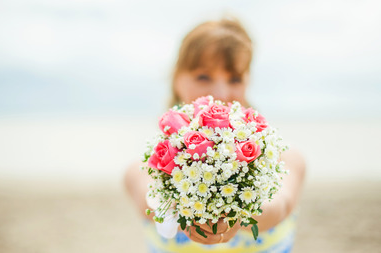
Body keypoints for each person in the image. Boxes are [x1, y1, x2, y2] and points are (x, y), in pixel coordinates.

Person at [124, 16, 306, 252]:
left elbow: (280, 205)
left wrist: (238, 217)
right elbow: (150, 203)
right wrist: (187, 218)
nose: (220, 92)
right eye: (203, 76)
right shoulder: (143, 168)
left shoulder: (285, 158)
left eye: (235, 78)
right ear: (177, 80)